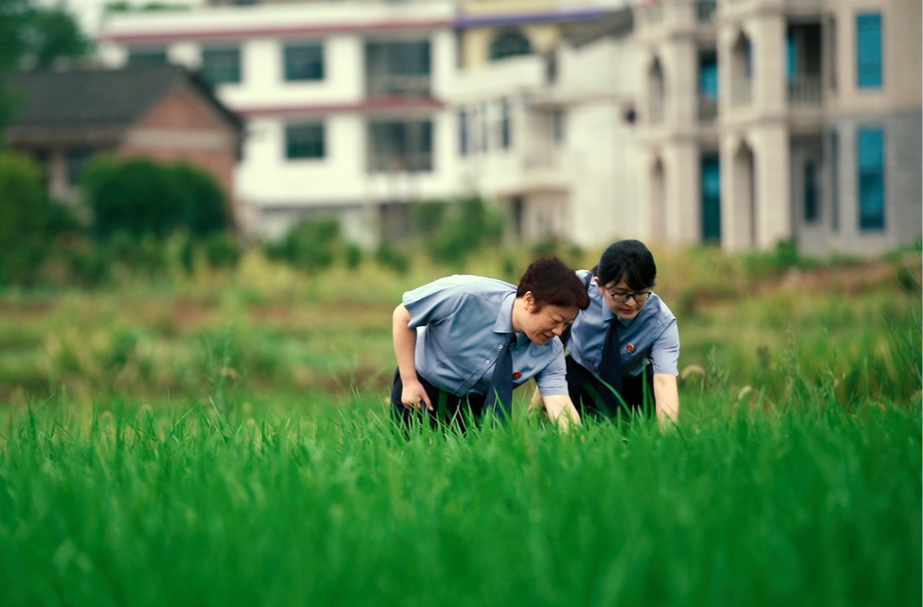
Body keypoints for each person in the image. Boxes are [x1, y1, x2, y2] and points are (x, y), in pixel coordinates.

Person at [391, 257, 591, 432]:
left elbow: (560, 404)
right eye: (556, 321)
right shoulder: (466, 295)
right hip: (423, 389)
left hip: (476, 406)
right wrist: (409, 382)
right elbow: (403, 314)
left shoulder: (550, 350)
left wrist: (579, 446)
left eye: (567, 325)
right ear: (530, 301)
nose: (559, 332)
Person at [531, 240, 680, 425]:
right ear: (599, 285)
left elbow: (665, 381)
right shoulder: (579, 288)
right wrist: (541, 392)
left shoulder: (661, 322)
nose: (631, 303)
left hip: (632, 385)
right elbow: (552, 331)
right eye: (621, 294)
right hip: (579, 374)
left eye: (641, 293)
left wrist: (668, 434)